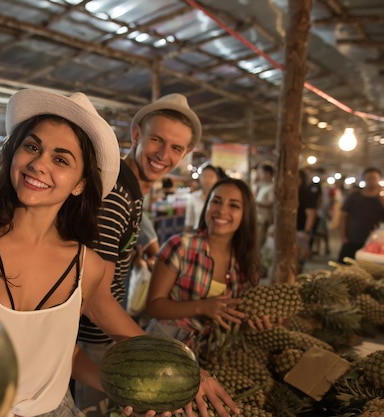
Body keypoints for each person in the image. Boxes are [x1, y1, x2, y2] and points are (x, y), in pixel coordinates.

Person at [0, 89, 121, 417]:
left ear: (80, 184)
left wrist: (127, 390)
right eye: (32, 146)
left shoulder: (88, 267)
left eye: (60, 159)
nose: (39, 163)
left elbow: (62, 355)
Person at [75, 94, 239, 417]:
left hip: (100, 337)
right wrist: (169, 362)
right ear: (136, 134)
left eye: (177, 148)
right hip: (84, 341)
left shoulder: (131, 193)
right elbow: (94, 298)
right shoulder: (116, 195)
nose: (164, 155)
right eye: (156, 140)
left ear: (187, 153)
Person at [144, 178, 265, 353]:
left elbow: (237, 319)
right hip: (167, 345)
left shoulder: (248, 264)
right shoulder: (180, 247)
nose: (222, 210)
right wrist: (202, 306)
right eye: (216, 201)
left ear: (245, 214)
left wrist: (258, 323)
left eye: (234, 205)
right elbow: (153, 307)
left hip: (216, 352)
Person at [338, 167, 384, 262]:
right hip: (354, 238)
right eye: (368, 178)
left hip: (375, 241)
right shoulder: (354, 196)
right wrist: (343, 236)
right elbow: (344, 216)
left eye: (374, 178)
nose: (371, 181)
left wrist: (381, 195)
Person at [184, 162, 222, 232]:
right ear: (200, 178)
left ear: (217, 179)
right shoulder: (194, 197)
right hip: (198, 235)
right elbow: (189, 223)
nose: (207, 179)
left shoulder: (221, 198)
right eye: (204, 176)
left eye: (211, 176)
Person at [254, 162, 274, 249]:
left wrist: (255, 203)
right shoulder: (263, 186)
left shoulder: (272, 187)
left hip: (264, 220)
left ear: (268, 173)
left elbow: (271, 204)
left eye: (261, 173)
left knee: (259, 244)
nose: (260, 175)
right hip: (259, 219)